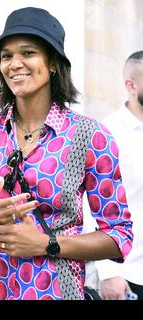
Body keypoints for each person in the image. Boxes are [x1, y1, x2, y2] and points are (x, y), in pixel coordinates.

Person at [0, 7, 133, 300]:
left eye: (28, 52)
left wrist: (46, 243)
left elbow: (118, 236)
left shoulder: (89, 136)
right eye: (6, 56)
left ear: (52, 64)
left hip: (55, 292)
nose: (14, 64)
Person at [95, 51, 143, 300]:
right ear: (131, 85)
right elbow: (93, 204)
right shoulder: (108, 133)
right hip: (130, 275)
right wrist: (108, 270)